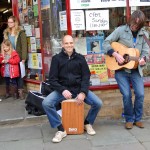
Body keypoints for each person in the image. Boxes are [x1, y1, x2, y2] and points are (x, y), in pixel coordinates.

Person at [42, 35, 102, 143]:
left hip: (79, 89)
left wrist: (83, 92)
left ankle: (87, 123)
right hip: (63, 90)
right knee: (46, 103)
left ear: (73, 44)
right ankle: (60, 129)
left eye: (71, 43)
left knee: (98, 103)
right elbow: (52, 80)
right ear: (62, 45)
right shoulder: (56, 59)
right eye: (66, 43)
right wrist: (62, 90)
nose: (69, 45)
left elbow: (86, 77)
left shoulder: (80, 58)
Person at [103, 10, 149, 129]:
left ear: (141, 24)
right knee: (127, 94)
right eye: (133, 23)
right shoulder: (121, 30)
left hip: (135, 70)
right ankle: (129, 118)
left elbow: (146, 53)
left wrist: (144, 59)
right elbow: (106, 42)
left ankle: (137, 119)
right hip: (121, 71)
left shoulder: (144, 35)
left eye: (137, 24)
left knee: (140, 94)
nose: (134, 26)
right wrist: (115, 54)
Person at [3, 16, 27, 99]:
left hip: (18, 56)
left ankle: (20, 92)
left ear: (15, 22)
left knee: (19, 74)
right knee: (11, 73)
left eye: (11, 22)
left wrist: (24, 58)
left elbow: (24, 46)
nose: (9, 24)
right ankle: (14, 92)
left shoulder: (21, 32)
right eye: (8, 22)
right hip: (9, 56)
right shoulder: (6, 33)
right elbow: (4, 45)